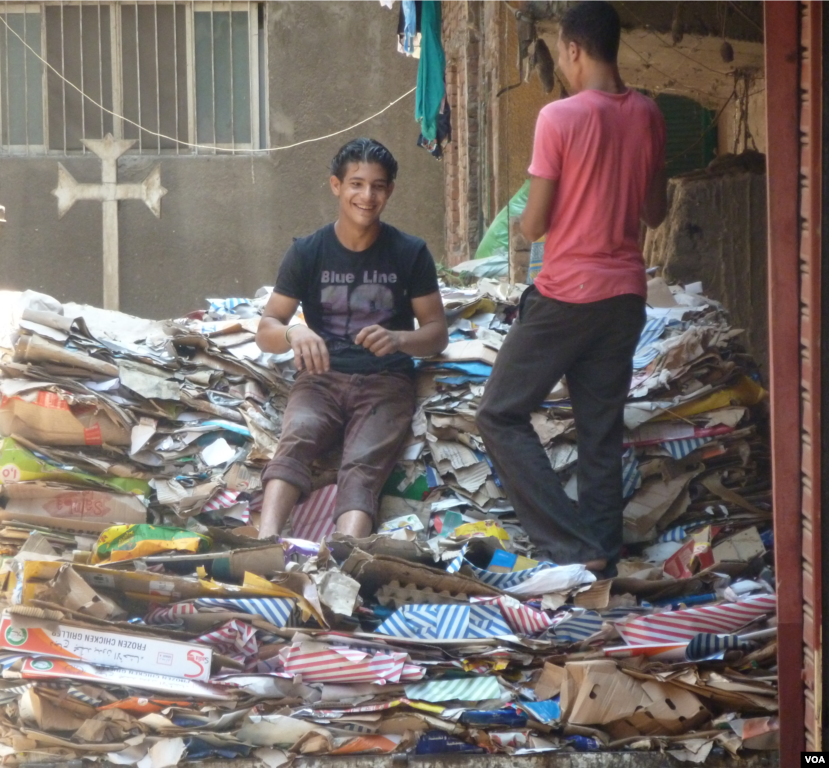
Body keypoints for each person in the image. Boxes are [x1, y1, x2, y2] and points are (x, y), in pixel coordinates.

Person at [476, 0, 668, 577]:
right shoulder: (649, 114)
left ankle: (574, 545)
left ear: (575, 49)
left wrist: (526, 218)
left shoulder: (558, 117)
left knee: (499, 413)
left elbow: (534, 224)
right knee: (599, 435)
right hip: (625, 295)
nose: (560, 63)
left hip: (566, 294)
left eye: (560, 53)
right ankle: (602, 563)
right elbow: (655, 213)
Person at [255, 138, 448, 540]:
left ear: (390, 190)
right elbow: (267, 328)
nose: (367, 196)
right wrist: (295, 331)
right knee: (296, 441)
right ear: (336, 186)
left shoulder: (410, 252)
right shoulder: (307, 252)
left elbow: (436, 333)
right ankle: (265, 542)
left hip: (386, 383)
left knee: (362, 468)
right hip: (320, 379)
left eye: (377, 186)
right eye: (356, 184)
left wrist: (398, 339)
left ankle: (345, 558)